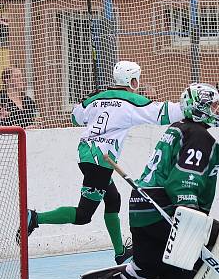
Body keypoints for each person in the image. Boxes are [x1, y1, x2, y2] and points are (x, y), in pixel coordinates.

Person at [67, 83, 219, 279]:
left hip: (142, 209)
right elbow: (184, 179)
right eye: (213, 105)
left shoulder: (177, 129)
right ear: (200, 107)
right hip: (163, 208)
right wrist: (191, 213)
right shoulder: (200, 136)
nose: (218, 109)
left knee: (144, 270)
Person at [23, 61, 184, 264]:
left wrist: (88, 100)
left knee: (113, 199)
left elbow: (75, 117)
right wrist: (190, 106)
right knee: (83, 215)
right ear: (133, 81)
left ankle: (119, 252)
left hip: (87, 155)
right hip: (100, 161)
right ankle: (34, 218)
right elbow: (162, 113)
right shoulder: (131, 101)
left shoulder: (97, 98)